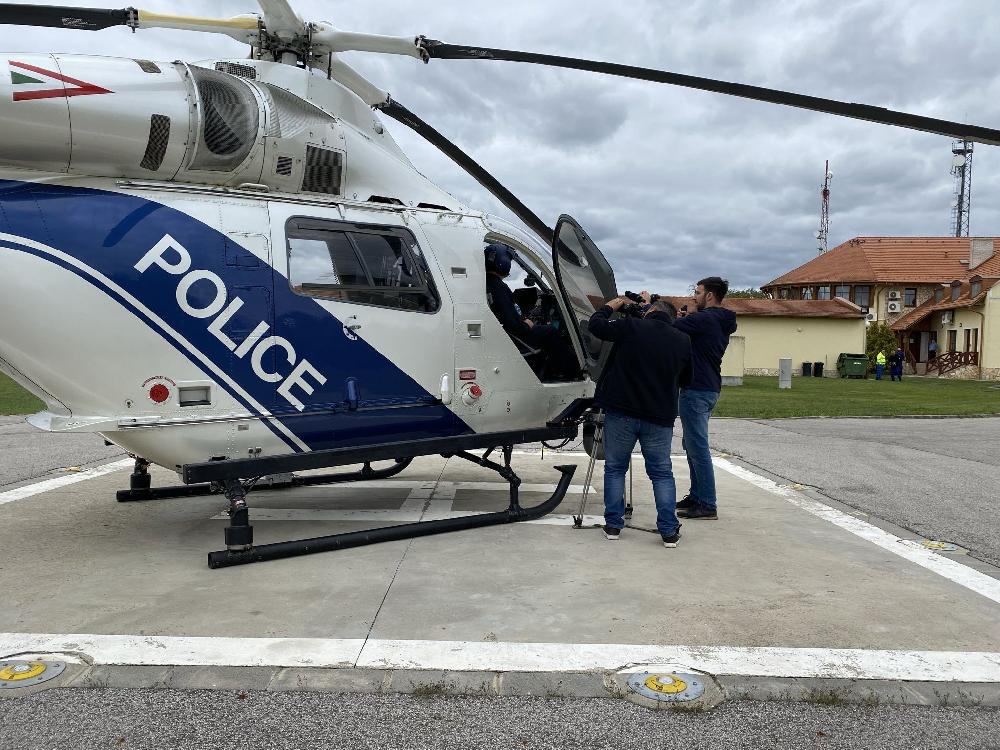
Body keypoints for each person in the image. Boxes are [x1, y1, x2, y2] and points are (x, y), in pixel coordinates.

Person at [588, 296, 692, 547]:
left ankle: (613, 526)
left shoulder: (632, 326)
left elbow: (596, 326)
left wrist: (611, 306)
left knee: (615, 469)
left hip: (621, 411)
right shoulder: (682, 339)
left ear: (651, 310)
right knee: (661, 473)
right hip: (659, 417)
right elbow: (687, 379)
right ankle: (668, 531)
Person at [673, 277, 737, 521]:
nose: (694, 296)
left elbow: (669, 326)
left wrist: (680, 315)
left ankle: (707, 504)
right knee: (691, 445)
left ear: (710, 295)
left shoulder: (704, 319)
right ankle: (697, 496)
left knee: (698, 448)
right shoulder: (720, 320)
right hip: (708, 388)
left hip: (696, 389)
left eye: (698, 292)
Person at [483, 243, 576, 379]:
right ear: (502, 261)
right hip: (514, 337)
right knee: (550, 332)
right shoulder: (498, 287)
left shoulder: (486, 282)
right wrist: (527, 324)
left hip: (502, 335)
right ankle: (573, 371)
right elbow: (514, 325)